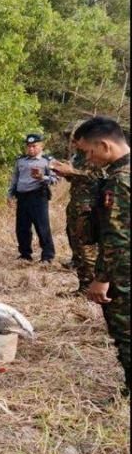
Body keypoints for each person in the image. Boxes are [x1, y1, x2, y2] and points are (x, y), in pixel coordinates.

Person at [73, 116, 130, 397]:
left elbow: (116, 238)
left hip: (123, 272)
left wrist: (102, 279)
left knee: (125, 332)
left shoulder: (118, 184)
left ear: (105, 146)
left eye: (88, 151)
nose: (88, 158)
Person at [50, 121, 104, 296]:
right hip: (76, 204)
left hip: (89, 206)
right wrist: (65, 173)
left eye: (74, 139)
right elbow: (78, 179)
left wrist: (72, 171)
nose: (72, 143)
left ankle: (90, 287)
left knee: (86, 247)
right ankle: (83, 286)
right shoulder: (78, 157)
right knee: (76, 246)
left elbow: (98, 176)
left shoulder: (95, 154)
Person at [7, 134, 59, 264]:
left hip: (38, 196)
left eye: (34, 146)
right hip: (22, 196)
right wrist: (10, 194)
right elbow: (15, 178)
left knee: (42, 227)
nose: (31, 149)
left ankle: (47, 255)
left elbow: (56, 179)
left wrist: (42, 177)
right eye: (29, 146)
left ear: (41, 146)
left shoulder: (48, 161)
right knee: (22, 227)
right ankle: (25, 254)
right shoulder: (21, 160)